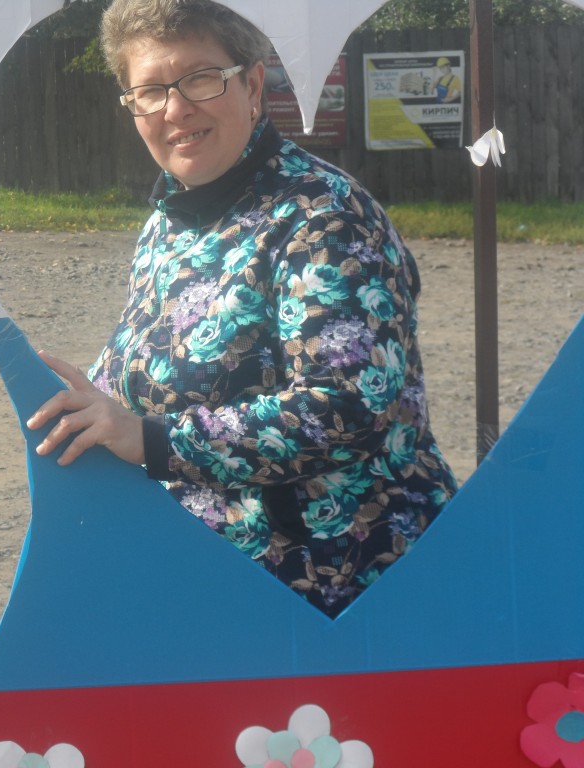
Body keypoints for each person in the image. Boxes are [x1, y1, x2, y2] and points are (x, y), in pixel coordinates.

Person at [27, 0, 459, 618]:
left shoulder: (324, 217)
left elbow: (348, 406)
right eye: (149, 92)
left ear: (253, 85)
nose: (175, 109)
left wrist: (150, 439)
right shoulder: (170, 221)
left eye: (200, 79)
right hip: (211, 586)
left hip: (339, 601)